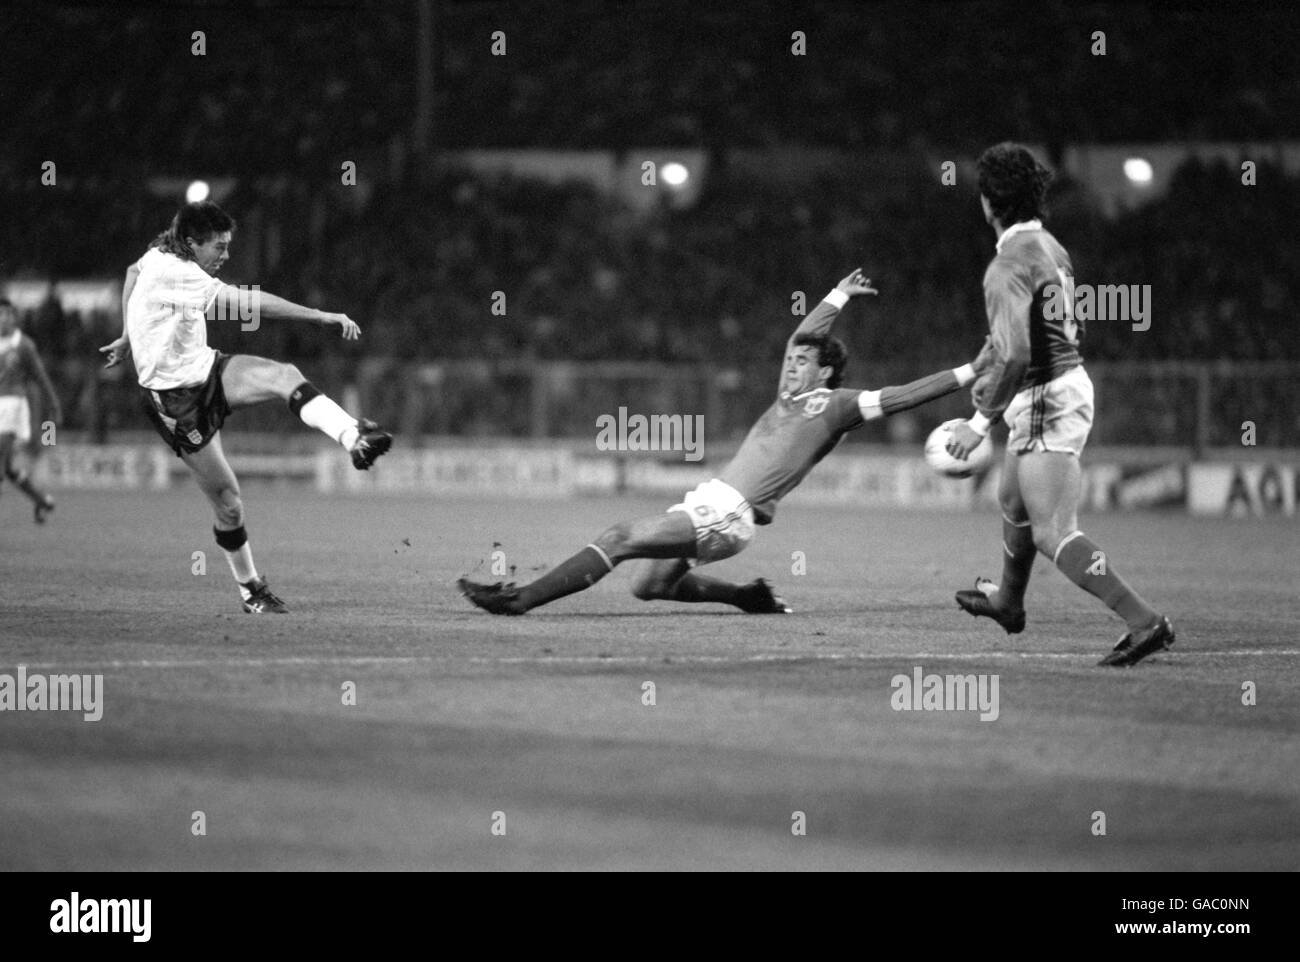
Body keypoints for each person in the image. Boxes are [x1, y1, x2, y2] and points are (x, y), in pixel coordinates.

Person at [459, 268, 989, 615]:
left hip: (731, 513)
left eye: (801, 363)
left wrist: (971, 370)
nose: (789, 365)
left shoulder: (835, 406)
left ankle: (519, 598)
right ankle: (748, 598)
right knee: (650, 586)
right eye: (790, 361)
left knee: (620, 536)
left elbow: (902, 396)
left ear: (826, 372)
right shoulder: (790, 398)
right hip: (712, 502)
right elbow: (797, 338)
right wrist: (837, 296)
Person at [100, 200, 392, 614]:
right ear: (191, 243)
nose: (226, 255)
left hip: (207, 370)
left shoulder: (160, 254)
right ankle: (251, 589)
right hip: (176, 403)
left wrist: (127, 334)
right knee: (229, 503)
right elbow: (249, 304)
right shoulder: (177, 272)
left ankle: (354, 437)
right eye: (218, 247)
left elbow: (132, 272)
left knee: (282, 374)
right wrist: (318, 315)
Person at [945, 142, 1174, 667]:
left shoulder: (1004, 265)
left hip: (1047, 393)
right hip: (1053, 386)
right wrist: (989, 360)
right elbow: (1056, 323)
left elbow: (1019, 349)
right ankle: (1008, 601)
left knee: (1053, 532)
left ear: (986, 202)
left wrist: (980, 422)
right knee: (1011, 500)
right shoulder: (1050, 247)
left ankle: (1144, 621)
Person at [0, 299, 60, 523]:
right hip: (26, 426)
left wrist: (46, 435)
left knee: (28, 463)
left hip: (16, 414)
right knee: (9, 469)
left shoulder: (24, 348)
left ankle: (42, 495)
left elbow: (46, 416)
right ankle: (42, 501)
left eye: (7, 314)